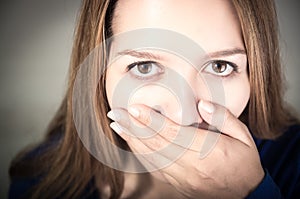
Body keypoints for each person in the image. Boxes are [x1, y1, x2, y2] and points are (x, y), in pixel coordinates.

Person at [9, 0, 300, 198]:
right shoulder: (42, 182)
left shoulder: (294, 163)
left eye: (220, 66)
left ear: (255, 74)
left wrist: (253, 192)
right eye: (145, 67)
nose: (185, 113)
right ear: (100, 73)